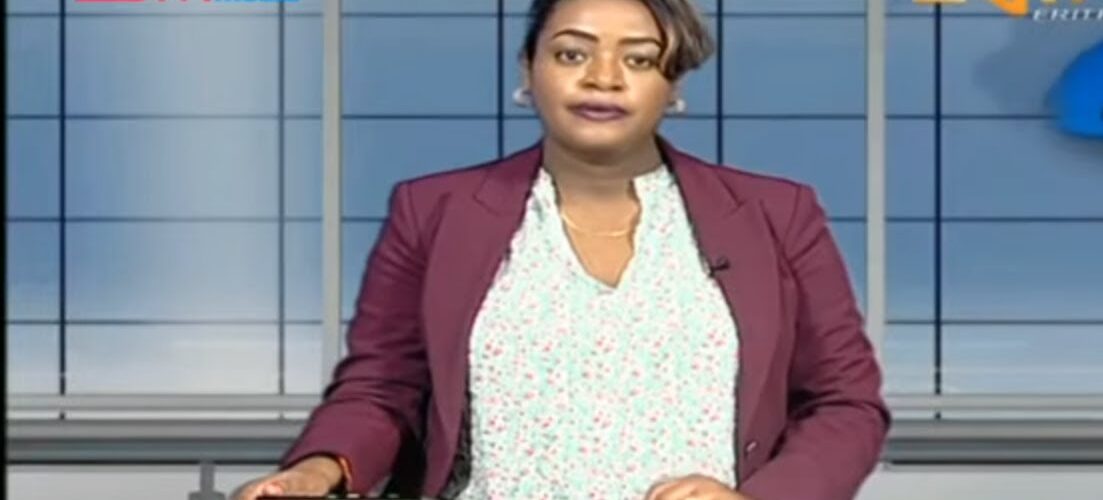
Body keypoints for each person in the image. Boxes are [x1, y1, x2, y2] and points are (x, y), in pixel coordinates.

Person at [234, 0, 889, 498]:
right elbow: (383, 389)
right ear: (529, 69)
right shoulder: (433, 212)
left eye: (638, 59)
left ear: (673, 84)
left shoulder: (776, 215)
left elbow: (845, 403)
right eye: (573, 54)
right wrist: (318, 470)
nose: (603, 78)